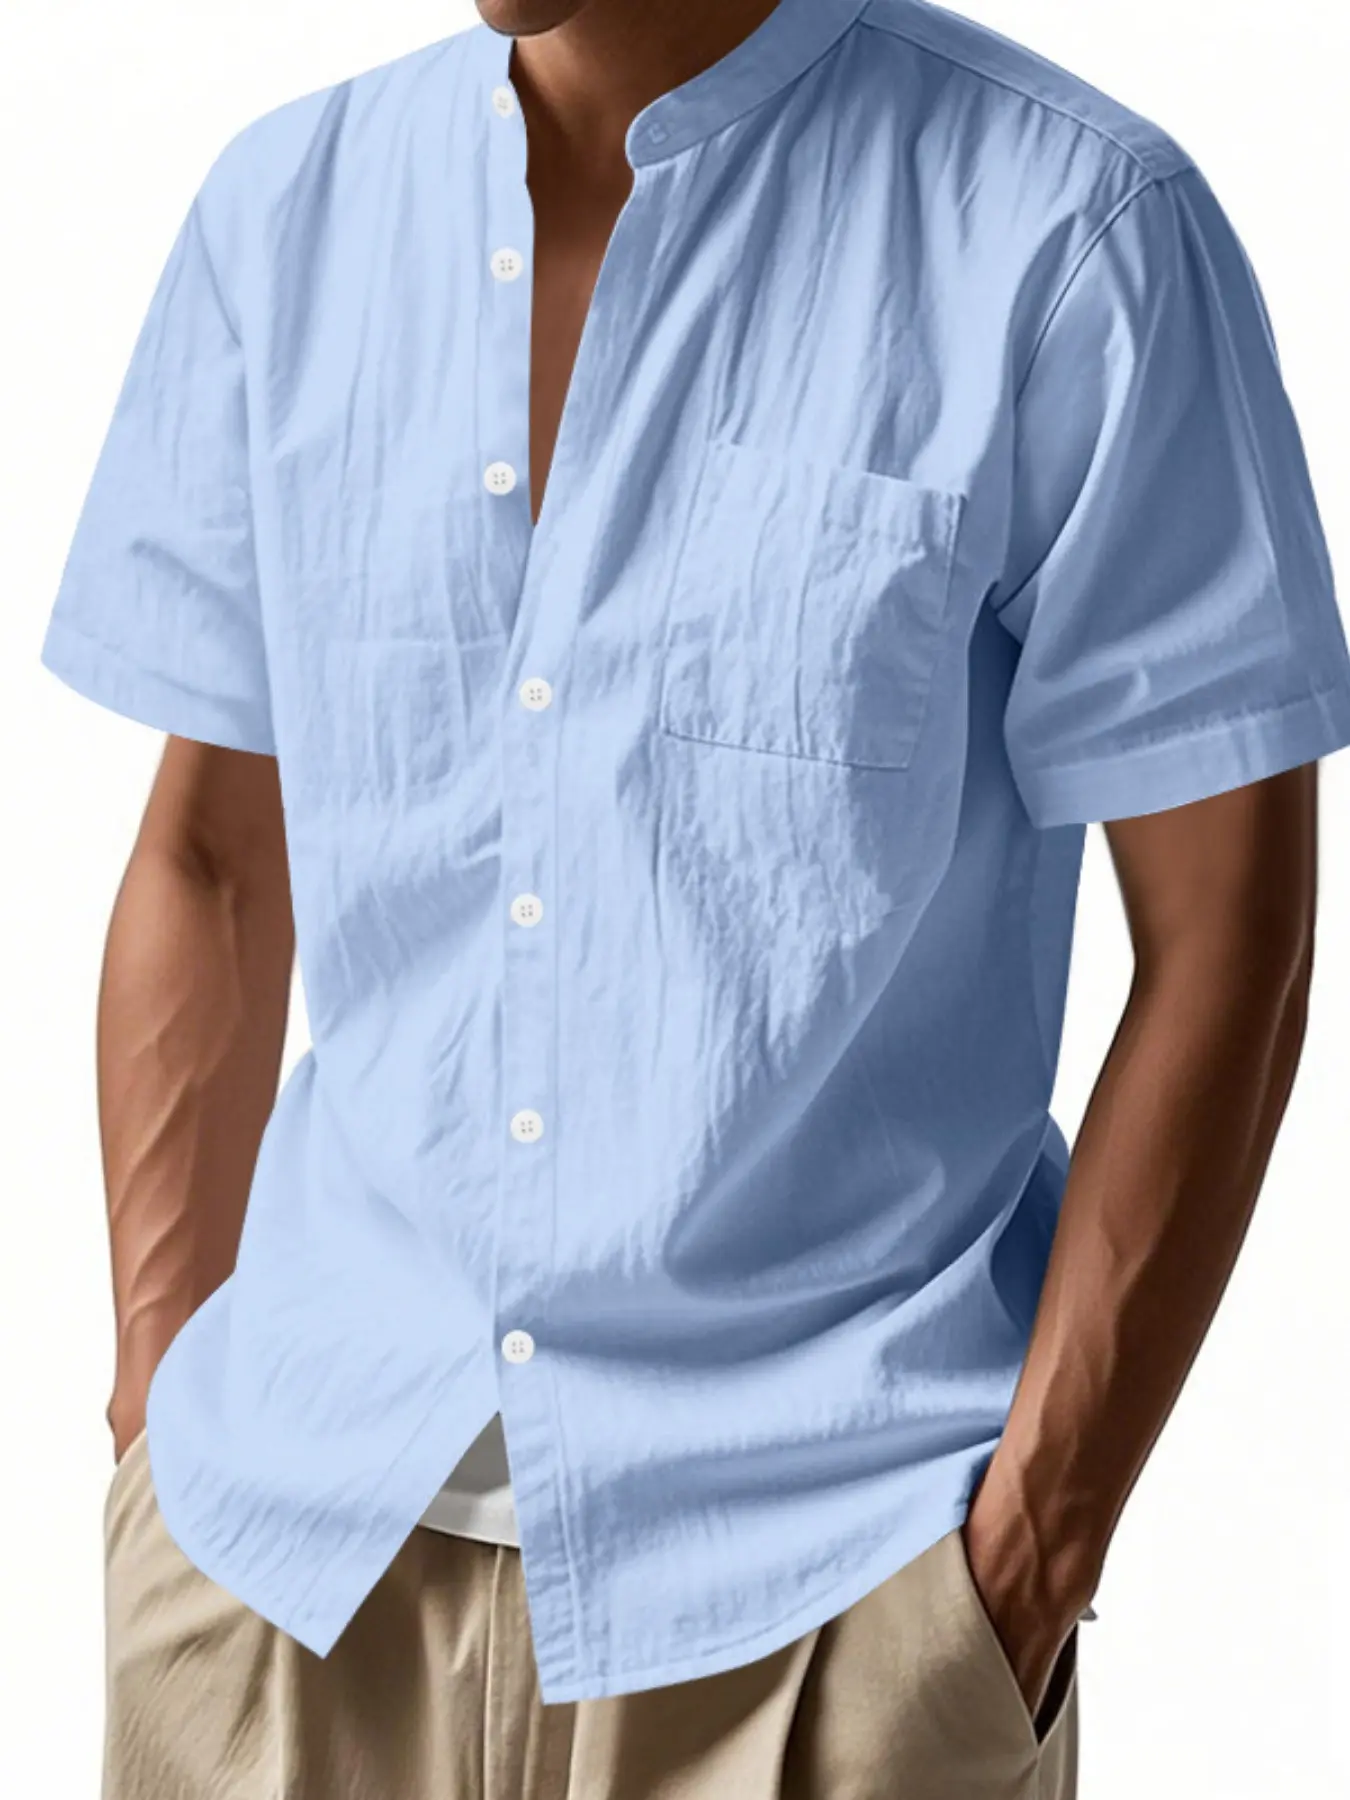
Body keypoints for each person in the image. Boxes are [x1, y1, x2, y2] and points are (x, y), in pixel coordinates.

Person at [40, 0, 1350, 1795]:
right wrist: (154, 1413)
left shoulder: (1072, 230)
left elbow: (1228, 940)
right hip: (286, 1557)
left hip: (821, 1593)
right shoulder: (284, 214)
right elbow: (207, 852)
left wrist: (1028, 1553)